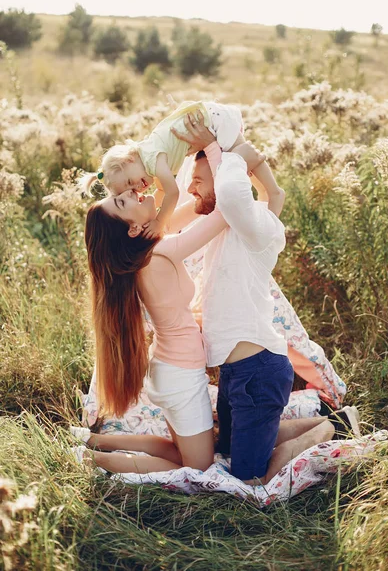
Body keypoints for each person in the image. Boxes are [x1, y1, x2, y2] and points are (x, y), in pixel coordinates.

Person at [171, 114, 360, 485]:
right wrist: (254, 171)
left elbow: (235, 194)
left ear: (225, 181)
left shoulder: (255, 225)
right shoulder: (232, 224)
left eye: (197, 182)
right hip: (235, 374)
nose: (191, 190)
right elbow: (259, 198)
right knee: (225, 449)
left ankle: (331, 431)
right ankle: (333, 419)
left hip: (257, 373)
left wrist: (224, 151)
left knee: (247, 477)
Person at [73, 143, 266, 474]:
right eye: (123, 200)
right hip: (180, 377)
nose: (134, 192)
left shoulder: (148, 249)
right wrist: (236, 161)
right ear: (132, 228)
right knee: (201, 469)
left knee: (180, 454)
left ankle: (98, 442)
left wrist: (204, 156)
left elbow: (198, 207)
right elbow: (225, 211)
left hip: (169, 369)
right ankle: (96, 461)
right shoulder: (161, 252)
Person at [80, 101, 284, 239]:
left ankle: (273, 191)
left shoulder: (153, 158)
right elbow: (161, 192)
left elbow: (173, 192)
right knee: (235, 162)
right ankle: (270, 194)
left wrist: (159, 221)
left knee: (240, 157)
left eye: (129, 182)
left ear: (130, 159)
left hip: (210, 121)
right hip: (205, 120)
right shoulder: (150, 164)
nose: (137, 188)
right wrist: (155, 214)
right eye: (132, 191)